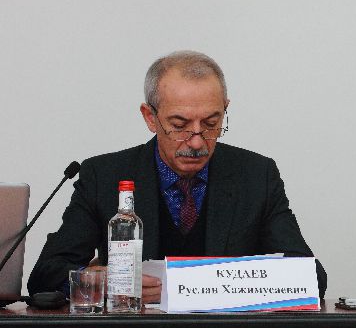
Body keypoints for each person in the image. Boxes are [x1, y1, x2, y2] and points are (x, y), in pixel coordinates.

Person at [28, 50, 326, 300]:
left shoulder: (256, 175)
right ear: (150, 117)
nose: (196, 142)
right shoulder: (103, 176)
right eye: (179, 125)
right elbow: (45, 275)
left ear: (224, 110)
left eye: (211, 123)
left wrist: (226, 283)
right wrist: (101, 284)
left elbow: (312, 277)